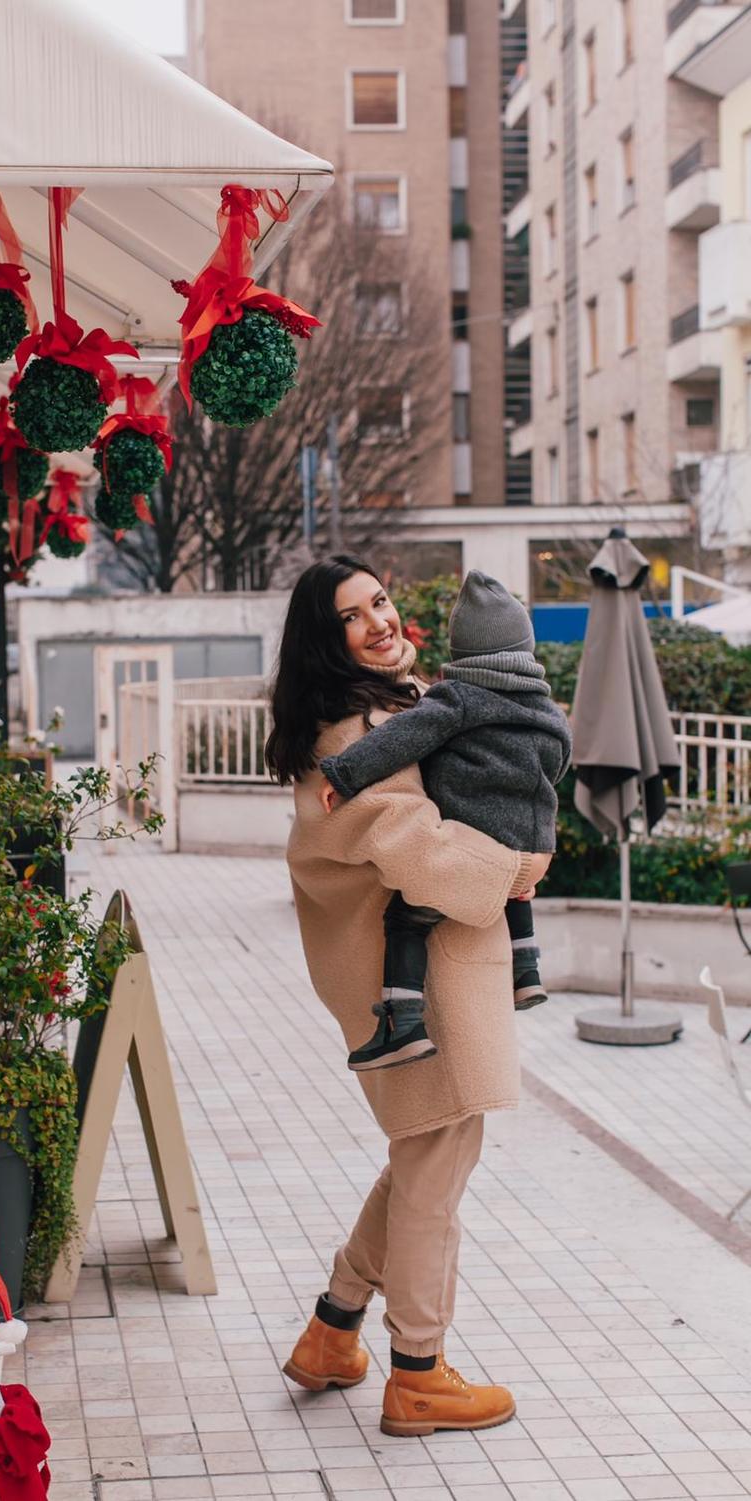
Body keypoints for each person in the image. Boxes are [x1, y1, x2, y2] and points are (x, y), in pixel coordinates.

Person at [265, 554, 551, 1438]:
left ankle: (334, 1328)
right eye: (354, 616)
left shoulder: (390, 704)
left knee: (428, 1155)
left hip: (430, 962)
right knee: (436, 1168)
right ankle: (419, 1371)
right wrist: (514, 868)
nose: (380, 621)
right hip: (417, 975)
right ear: (328, 640)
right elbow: (410, 841)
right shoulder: (349, 730)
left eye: (380, 601)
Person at [319, 569, 572, 1073]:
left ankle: (401, 1019)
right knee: (518, 889)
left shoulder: (456, 698)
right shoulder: (548, 711)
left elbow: (402, 739)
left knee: (407, 918)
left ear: (462, 654)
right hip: (529, 837)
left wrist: (345, 772)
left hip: (469, 837)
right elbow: (559, 764)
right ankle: (526, 967)